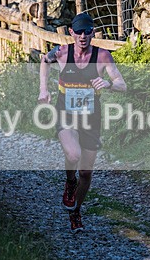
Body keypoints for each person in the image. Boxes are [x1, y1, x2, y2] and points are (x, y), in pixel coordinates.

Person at [38, 12, 127, 233]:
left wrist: (107, 84)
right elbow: (44, 60)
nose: (83, 36)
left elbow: (121, 85)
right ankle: (69, 182)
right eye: (78, 32)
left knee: (86, 173)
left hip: (91, 116)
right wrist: (43, 90)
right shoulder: (62, 52)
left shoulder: (103, 56)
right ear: (71, 33)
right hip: (65, 112)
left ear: (93, 33)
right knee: (73, 155)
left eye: (88, 32)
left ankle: (76, 210)